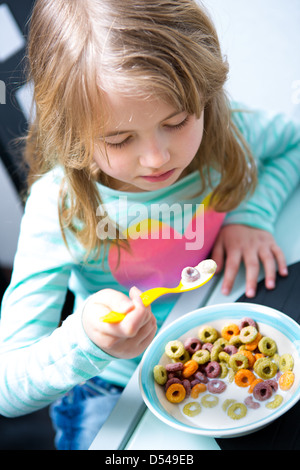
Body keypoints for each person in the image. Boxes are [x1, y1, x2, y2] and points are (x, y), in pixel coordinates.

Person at [0, 0, 299, 450]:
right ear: (71, 130)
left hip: (218, 339)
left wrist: (249, 215)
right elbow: (8, 386)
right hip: (109, 388)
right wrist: (87, 341)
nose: (158, 158)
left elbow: (292, 144)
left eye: (177, 122)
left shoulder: (225, 136)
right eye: (119, 139)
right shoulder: (57, 207)